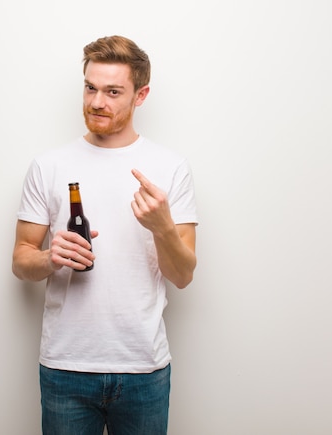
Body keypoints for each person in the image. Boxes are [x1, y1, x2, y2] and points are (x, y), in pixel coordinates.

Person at [12, 35, 198, 435]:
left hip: (143, 368)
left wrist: (163, 227)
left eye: (113, 92)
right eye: (90, 88)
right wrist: (50, 257)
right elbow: (21, 261)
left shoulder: (170, 167)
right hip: (66, 367)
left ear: (141, 95)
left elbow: (183, 276)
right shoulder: (49, 166)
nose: (98, 102)